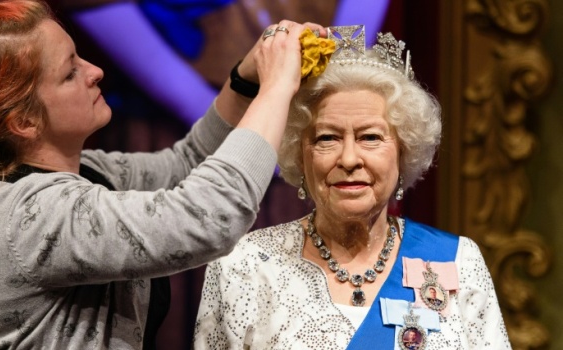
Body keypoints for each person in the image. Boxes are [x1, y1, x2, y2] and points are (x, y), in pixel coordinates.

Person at [0, 0, 325, 348]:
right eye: (69, 72)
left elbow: (185, 164)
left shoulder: (88, 172)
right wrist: (277, 87)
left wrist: (248, 78)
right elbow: (209, 218)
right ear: (24, 121)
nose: (95, 71)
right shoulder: (34, 217)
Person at [193, 25, 511, 349]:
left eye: (370, 137)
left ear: (404, 151)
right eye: (327, 138)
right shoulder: (245, 265)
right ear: (300, 154)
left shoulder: (457, 261)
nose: (348, 158)